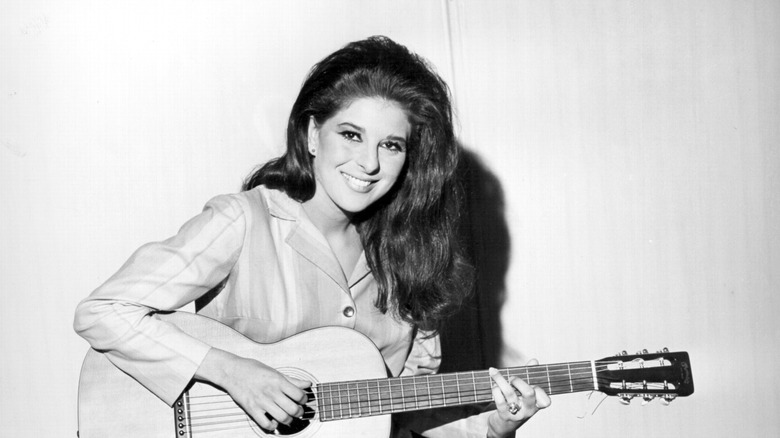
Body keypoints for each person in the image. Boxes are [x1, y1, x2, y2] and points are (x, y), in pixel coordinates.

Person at [74, 35, 550, 437]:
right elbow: (102, 312)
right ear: (310, 134)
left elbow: (401, 426)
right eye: (350, 134)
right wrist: (232, 371)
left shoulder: (410, 264)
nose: (368, 163)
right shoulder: (244, 221)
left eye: (391, 145)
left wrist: (492, 428)